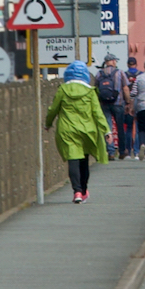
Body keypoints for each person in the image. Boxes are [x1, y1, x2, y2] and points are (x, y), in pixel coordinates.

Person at [45, 60, 109, 203]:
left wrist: (48, 124)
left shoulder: (62, 89)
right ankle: (84, 189)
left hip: (67, 130)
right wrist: (107, 131)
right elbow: (97, 112)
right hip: (86, 130)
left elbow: (53, 109)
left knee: (72, 160)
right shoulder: (90, 91)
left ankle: (77, 191)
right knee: (84, 161)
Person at [94, 55, 128, 153]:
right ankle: (122, 151)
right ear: (113, 61)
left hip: (104, 103)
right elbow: (125, 88)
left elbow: (96, 88)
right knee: (120, 127)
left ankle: (110, 151)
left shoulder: (99, 73)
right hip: (118, 103)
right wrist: (128, 101)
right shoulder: (120, 72)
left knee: (107, 127)